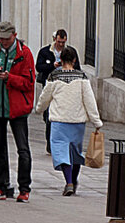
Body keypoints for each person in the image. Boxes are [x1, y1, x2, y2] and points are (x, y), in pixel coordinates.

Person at [34, 45, 102, 196]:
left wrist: (39, 108)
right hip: (77, 122)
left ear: (61, 60)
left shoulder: (54, 76)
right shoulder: (82, 77)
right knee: (75, 152)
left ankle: (69, 182)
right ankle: (73, 180)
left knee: (61, 151)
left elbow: (46, 96)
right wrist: (96, 121)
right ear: (75, 60)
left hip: (59, 121)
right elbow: (89, 100)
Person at [0, 20, 36, 203]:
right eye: (1, 38)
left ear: (14, 35)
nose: (3, 41)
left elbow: (28, 82)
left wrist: (9, 78)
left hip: (17, 108)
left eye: (6, 38)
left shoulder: (24, 53)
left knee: (23, 149)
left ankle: (24, 189)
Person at [36, 29, 68, 153]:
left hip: (64, 87)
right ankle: (50, 143)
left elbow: (77, 67)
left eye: (63, 42)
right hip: (49, 85)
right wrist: (52, 66)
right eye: (59, 41)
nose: (61, 44)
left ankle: (59, 143)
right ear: (55, 39)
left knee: (60, 117)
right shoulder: (45, 52)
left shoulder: (69, 52)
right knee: (49, 116)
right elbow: (39, 67)